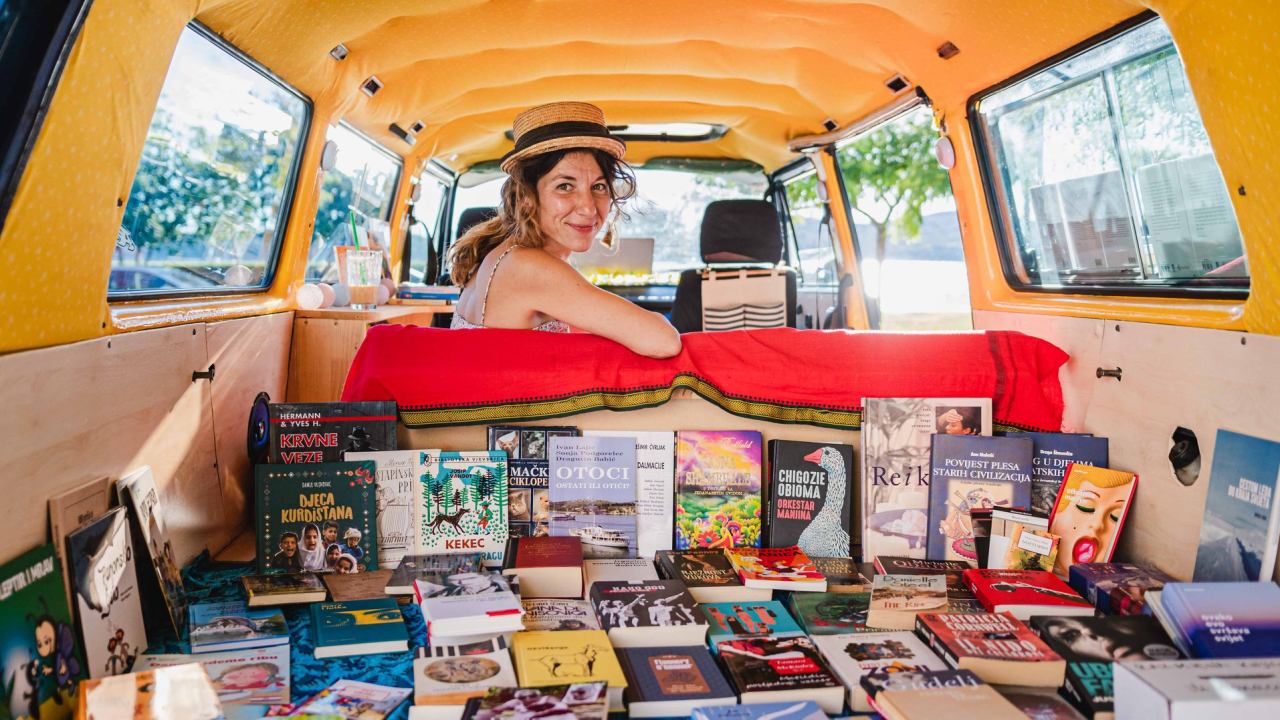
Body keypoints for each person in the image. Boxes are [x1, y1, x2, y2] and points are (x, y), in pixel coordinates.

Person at [450, 102, 681, 359]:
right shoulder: (529, 267)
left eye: (599, 187)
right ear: (526, 197)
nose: (589, 208)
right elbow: (664, 341)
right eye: (564, 186)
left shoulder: (506, 255)